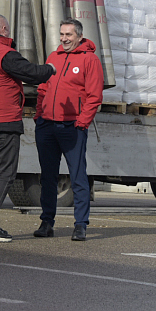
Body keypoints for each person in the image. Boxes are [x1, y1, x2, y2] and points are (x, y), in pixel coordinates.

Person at [0, 14, 56, 242]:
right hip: (4, 120)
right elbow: (33, 73)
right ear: (4, 29)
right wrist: (52, 68)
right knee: (5, 173)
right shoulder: (6, 54)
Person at [33, 18, 103, 241]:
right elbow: (43, 88)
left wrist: (81, 123)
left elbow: (94, 96)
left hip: (72, 127)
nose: (64, 39)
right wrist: (39, 114)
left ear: (79, 36)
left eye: (69, 35)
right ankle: (46, 222)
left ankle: (80, 225)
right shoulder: (53, 57)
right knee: (48, 177)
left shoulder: (90, 60)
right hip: (47, 125)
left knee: (77, 176)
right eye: (62, 34)